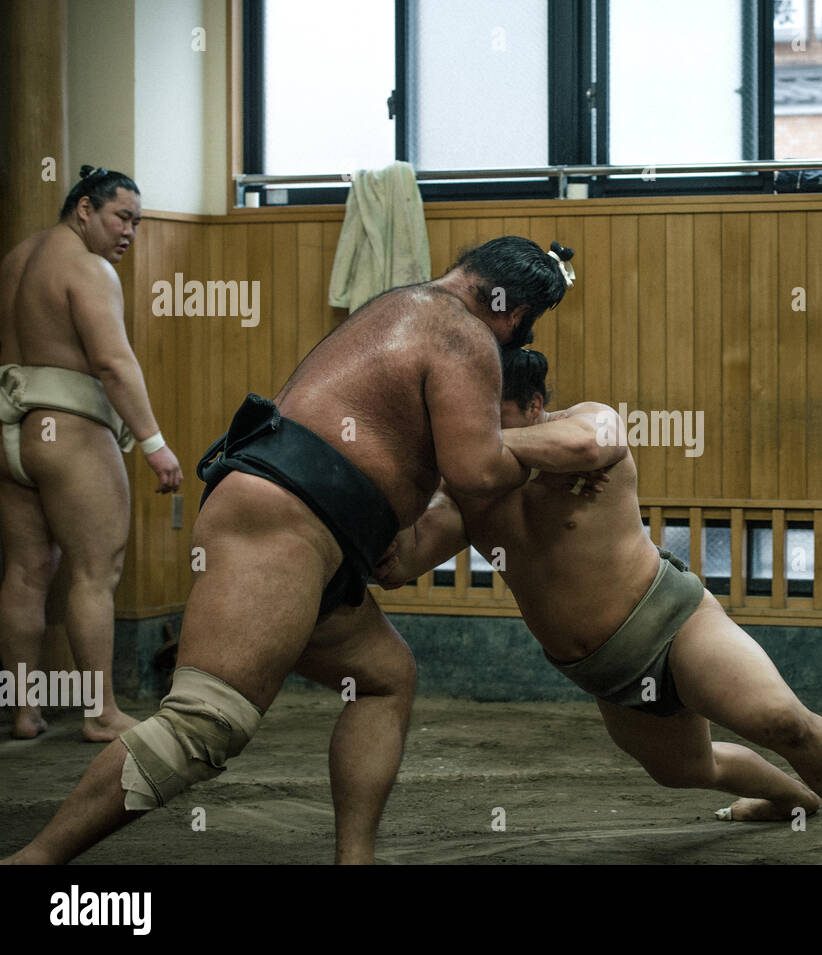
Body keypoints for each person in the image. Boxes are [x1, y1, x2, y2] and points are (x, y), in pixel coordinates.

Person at [3, 237, 584, 865]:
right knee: (205, 724)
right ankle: (33, 862)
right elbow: (474, 471)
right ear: (515, 312)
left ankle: (353, 859)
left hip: (319, 532)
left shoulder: (400, 305)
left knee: (383, 678)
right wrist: (547, 453)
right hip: (286, 519)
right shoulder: (464, 333)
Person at [374, 347, 822, 864]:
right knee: (689, 769)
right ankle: (792, 801)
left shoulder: (586, 424)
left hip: (674, 625)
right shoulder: (467, 496)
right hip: (607, 673)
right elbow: (398, 566)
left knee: (782, 722)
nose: (467, 432)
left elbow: (591, 445)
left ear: (535, 405)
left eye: (488, 416)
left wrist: (478, 451)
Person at [0, 165, 183, 742]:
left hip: (10, 432)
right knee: (94, 572)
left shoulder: (16, 260)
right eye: (120, 217)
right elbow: (113, 363)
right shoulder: (89, 267)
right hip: (69, 428)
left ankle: (24, 711)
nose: (129, 232)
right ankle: (100, 712)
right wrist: (154, 444)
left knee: (26, 572)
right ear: (84, 208)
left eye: (137, 221)